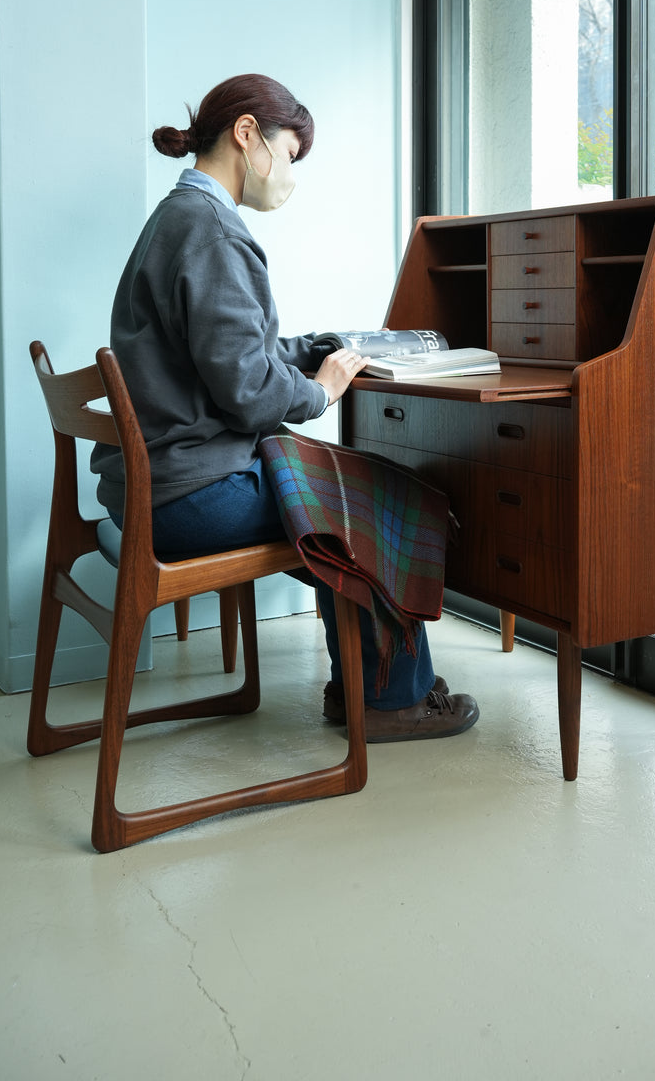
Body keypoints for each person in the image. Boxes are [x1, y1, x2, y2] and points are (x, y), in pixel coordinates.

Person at [91, 73, 479, 742]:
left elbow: (230, 351)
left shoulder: (177, 218)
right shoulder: (214, 229)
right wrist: (320, 389)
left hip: (152, 486)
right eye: (289, 156)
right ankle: (392, 700)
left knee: (334, 494)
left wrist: (318, 348)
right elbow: (249, 393)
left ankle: (367, 683)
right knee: (375, 502)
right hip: (189, 498)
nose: (289, 175)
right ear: (247, 134)